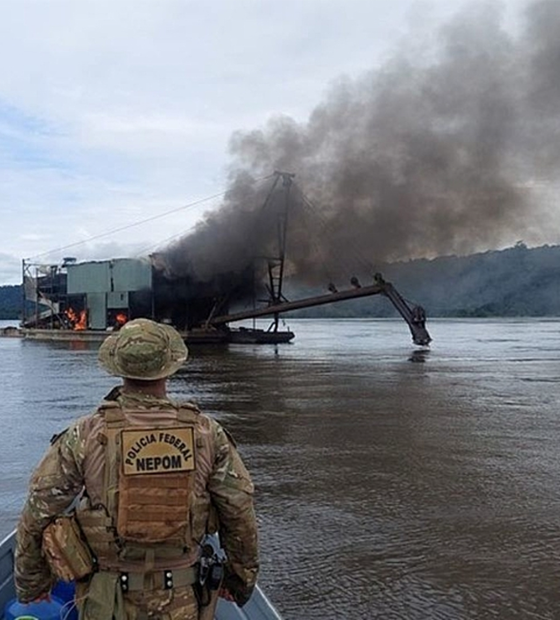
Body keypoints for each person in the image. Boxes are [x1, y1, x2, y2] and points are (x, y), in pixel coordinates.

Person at [14, 318, 259, 619]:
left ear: (118, 367)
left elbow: (39, 510)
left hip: (106, 601)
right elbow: (239, 512)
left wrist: (31, 583)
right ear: (169, 367)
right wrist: (239, 582)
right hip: (183, 596)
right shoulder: (208, 433)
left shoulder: (85, 434)